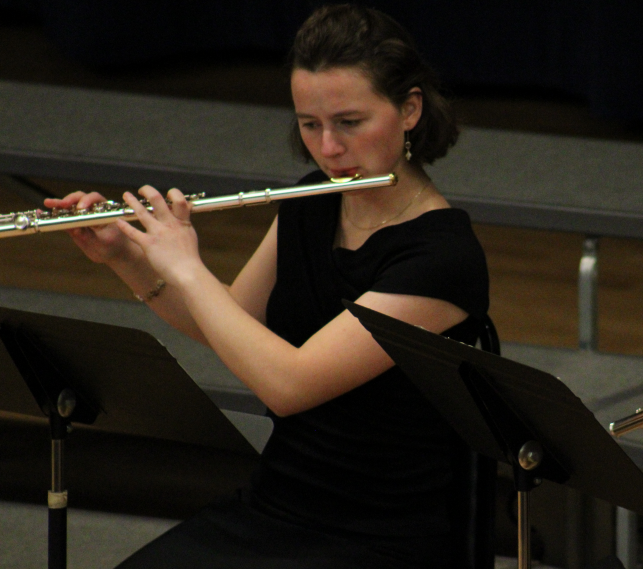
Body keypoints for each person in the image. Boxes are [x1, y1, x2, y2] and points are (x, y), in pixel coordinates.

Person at [46, 5, 489, 569]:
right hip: (278, 502)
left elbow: (288, 384)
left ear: (409, 110)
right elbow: (231, 324)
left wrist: (188, 267)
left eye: (349, 123)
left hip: (380, 535)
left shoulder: (441, 256)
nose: (327, 149)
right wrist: (127, 257)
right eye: (309, 124)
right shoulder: (315, 199)